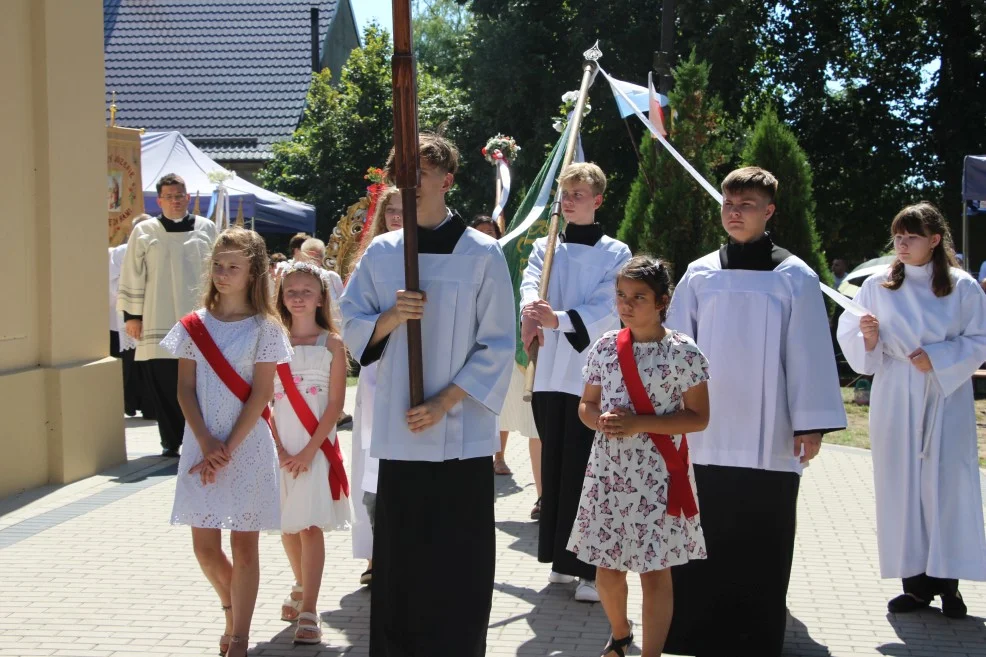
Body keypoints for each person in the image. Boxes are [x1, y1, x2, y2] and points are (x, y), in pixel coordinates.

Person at [340, 132, 515, 656]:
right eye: (403, 174)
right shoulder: (382, 253)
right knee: (402, 567)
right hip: (400, 434)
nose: (411, 183)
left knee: (457, 566)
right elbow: (351, 326)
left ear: (448, 179)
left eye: (422, 171)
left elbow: (499, 343)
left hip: (460, 437)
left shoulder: (482, 254)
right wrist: (393, 316)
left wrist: (444, 401)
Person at [663, 166, 847, 657]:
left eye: (746, 205)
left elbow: (808, 351)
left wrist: (811, 424)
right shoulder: (701, 272)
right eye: (728, 204)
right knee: (700, 533)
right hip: (704, 431)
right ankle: (690, 630)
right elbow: (677, 346)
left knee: (760, 538)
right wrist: (665, 415)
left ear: (769, 211)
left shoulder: (794, 276)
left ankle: (754, 635)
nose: (735, 213)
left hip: (770, 437)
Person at [837, 202, 986, 619]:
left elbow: (980, 337)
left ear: (935, 240)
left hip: (944, 394)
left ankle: (949, 586)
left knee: (946, 486)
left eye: (912, 236)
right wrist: (867, 337)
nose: (901, 243)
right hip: (896, 389)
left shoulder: (962, 286)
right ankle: (915, 586)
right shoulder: (878, 285)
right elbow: (855, 337)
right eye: (898, 236)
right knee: (901, 486)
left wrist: (939, 357)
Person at [160, 227, 292, 657]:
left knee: (244, 543)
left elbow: (261, 393)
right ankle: (231, 607)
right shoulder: (193, 326)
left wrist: (228, 447)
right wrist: (205, 440)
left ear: (253, 271)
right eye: (217, 264)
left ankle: (239, 637)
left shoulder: (265, 328)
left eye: (233, 266)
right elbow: (184, 388)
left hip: (247, 446)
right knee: (204, 547)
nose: (222, 273)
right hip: (202, 444)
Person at [571, 256, 710, 657]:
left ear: (662, 301)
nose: (626, 304)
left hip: (659, 474)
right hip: (608, 472)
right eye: (620, 295)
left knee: (654, 572)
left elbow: (699, 417)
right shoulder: (604, 347)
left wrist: (639, 424)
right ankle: (620, 636)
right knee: (606, 568)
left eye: (638, 297)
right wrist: (600, 421)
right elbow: (586, 405)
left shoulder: (682, 352)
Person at [520, 162, 632, 602]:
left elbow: (610, 303)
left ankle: (590, 569)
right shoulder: (545, 247)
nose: (569, 202)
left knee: (589, 471)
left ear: (598, 200)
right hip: (548, 371)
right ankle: (561, 561)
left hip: (593, 373)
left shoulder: (615, 252)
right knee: (555, 467)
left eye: (579, 195)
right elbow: (531, 283)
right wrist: (532, 310)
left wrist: (560, 318)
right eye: (565, 195)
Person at [272, 261, 352, 643]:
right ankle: (301, 583)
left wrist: (307, 451)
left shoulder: (332, 344)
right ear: (281, 297)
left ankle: (309, 609)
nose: (298, 298)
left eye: (306, 290)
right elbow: (262, 400)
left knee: (309, 525)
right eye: (291, 291)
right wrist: (277, 446)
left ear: (321, 296)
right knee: (287, 522)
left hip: (315, 445)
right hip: (280, 444)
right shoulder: (271, 341)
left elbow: (335, 403)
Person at [118, 173, 218, 457]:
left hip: (199, 318)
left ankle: (199, 437)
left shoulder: (206, 228)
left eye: (179, 196)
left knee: (200, 383)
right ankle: (170, 441)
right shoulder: (145, 231)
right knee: (163, 381)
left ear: (188, 198)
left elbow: (218, 270)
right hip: (157, 316)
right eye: (169, 197)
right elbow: (132, 274)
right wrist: (132, 316)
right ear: (159, 200)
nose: (175, 201)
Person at [347, 186, 403, 586]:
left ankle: (405, 555)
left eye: (405, 210)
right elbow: (353, 323)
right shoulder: (372, 259)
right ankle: (375, 554)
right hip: (378, 375)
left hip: (420, 380)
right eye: (392, 211)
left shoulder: (431, 256)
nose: (398, 218)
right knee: (372, 472)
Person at [471, 215, 516, 476]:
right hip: (471, 342)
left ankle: (499, 457)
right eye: (481, 233)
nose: (488, 237)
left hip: (498, 340)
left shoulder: (506, 261)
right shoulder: (463, 259)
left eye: (492, 233)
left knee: (501, 404)